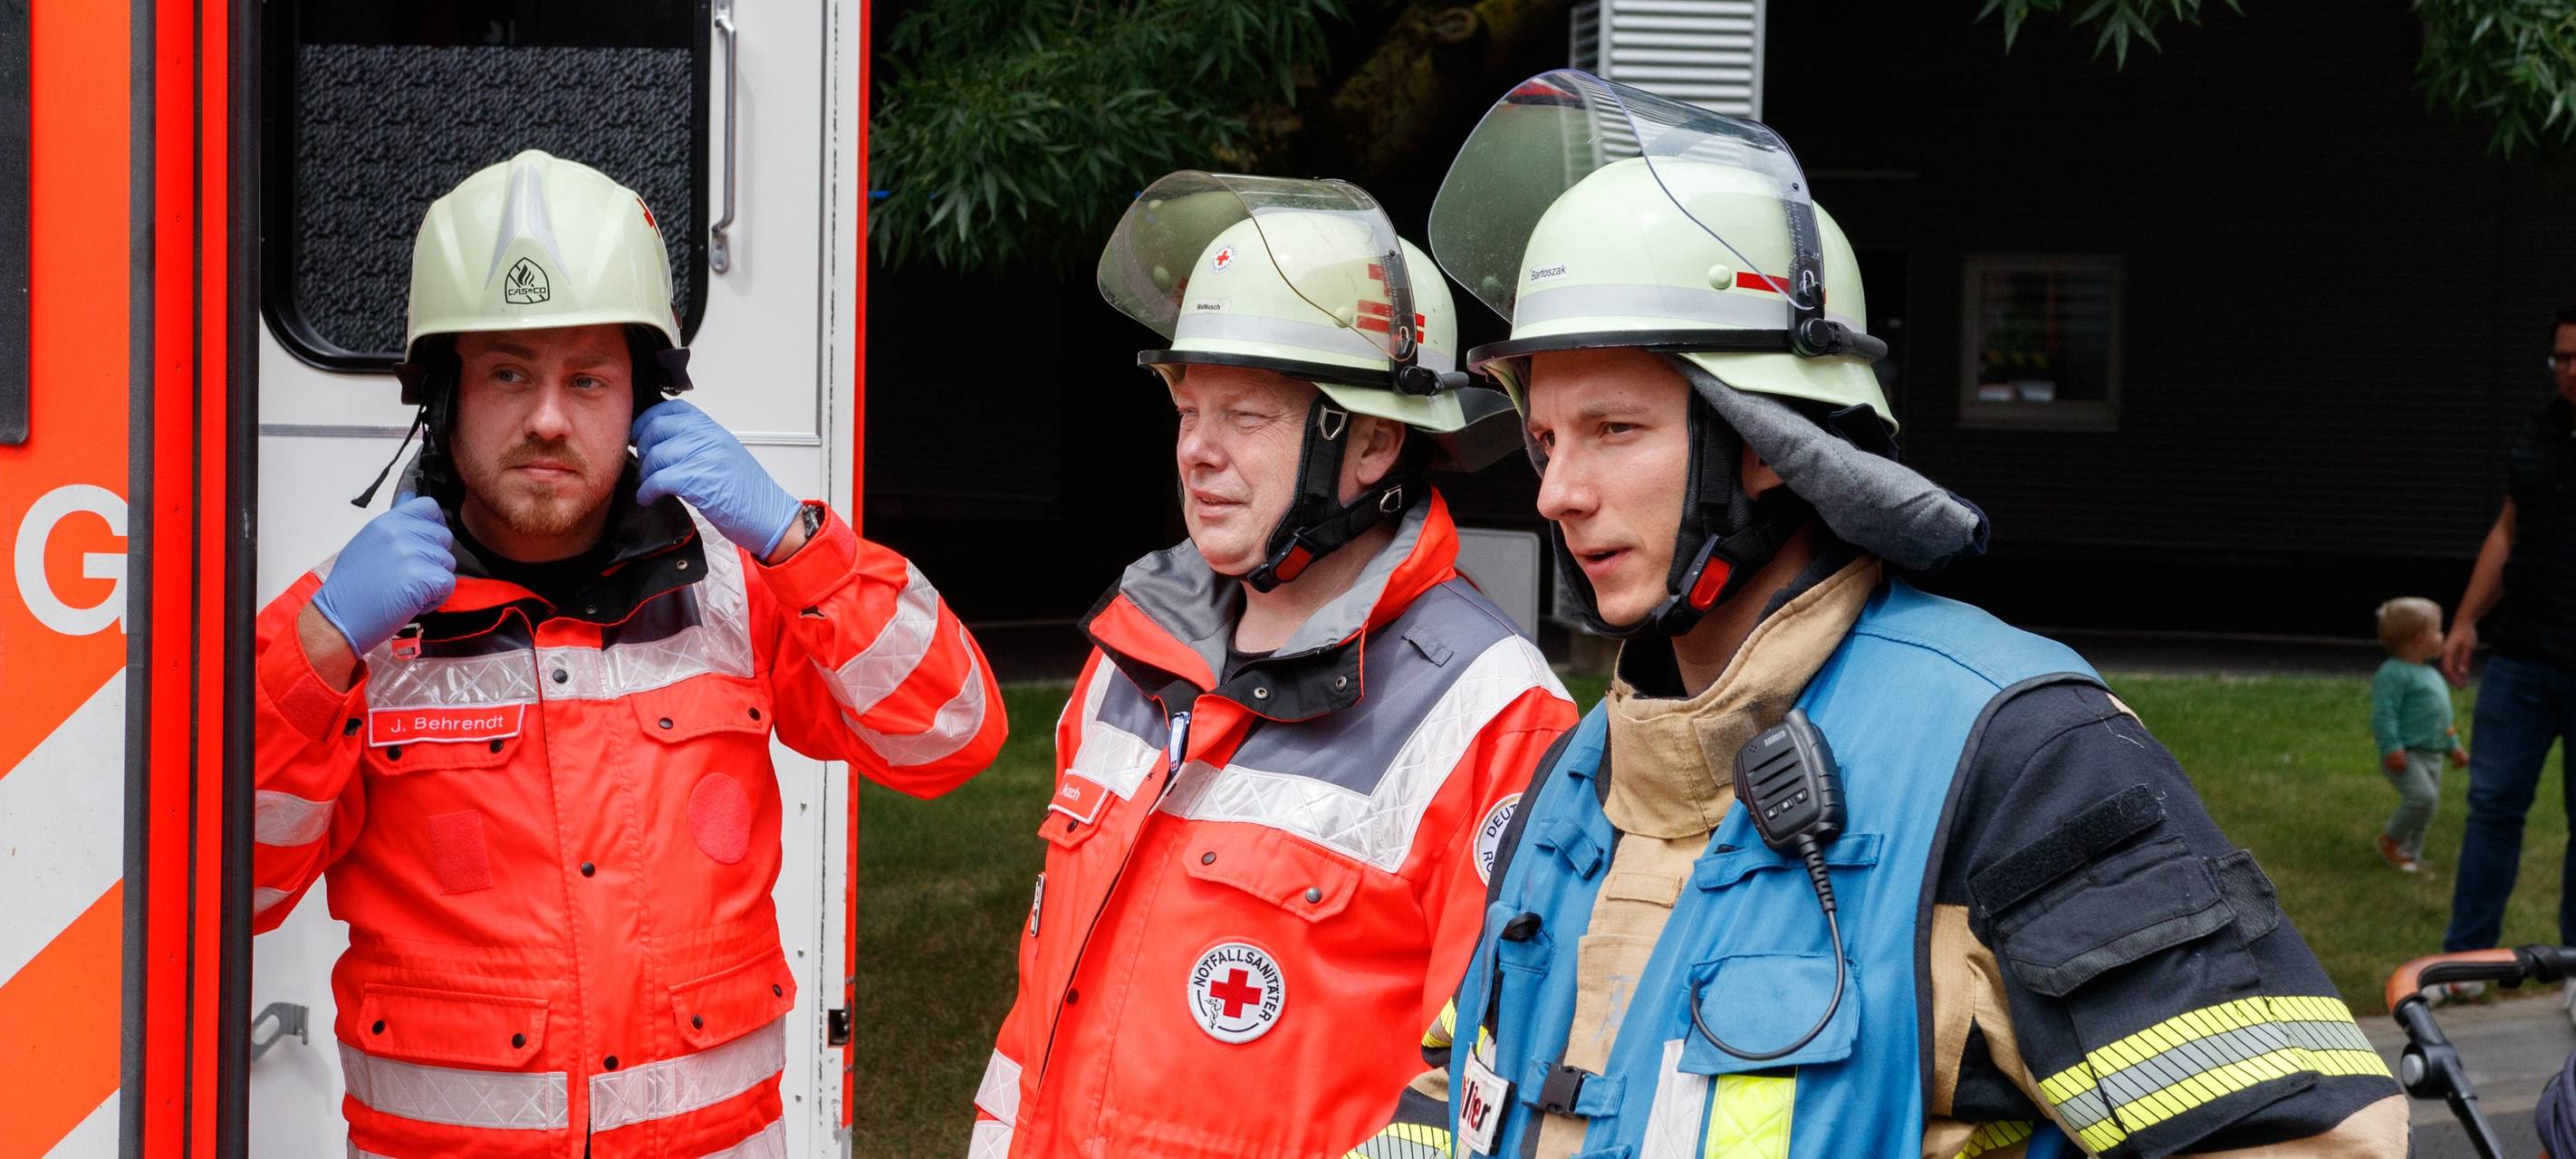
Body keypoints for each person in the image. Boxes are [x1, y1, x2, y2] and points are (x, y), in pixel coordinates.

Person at [1355, 72, 2405, 1158]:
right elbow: (1461, 1098)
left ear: (1763, 440)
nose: (1556, 492)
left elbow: (2309, 1142)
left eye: (1615, 428)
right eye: (1547, 439)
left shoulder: (2025, 761)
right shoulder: (1579, 779)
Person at [249, 151, 1005, 1158]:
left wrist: (797, 540)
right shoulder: (348, 626)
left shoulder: (742, 586)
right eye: (509, 372)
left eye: (587, 377)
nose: (549, 416)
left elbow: (951, 734)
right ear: (443, 396)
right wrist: (321, 650)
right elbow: (234, 888)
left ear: (643, 400)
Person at [966, 172, 1577, 1159]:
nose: (1197, 453)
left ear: (1373, 440)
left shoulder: (1496, 718)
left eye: (1245, 417)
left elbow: (1485, 1088)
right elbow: (1039, 1023)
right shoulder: (1131, 659)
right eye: (1186, 408)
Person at [2438, 306, 2576, 1019]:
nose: (2569, 371)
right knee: (2493, 806)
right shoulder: (2541, 431)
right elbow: (2509, 527)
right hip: (2523, 654)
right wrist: (2466, 619)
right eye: (2561, 358)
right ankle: (2468, 961)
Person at [2370, 597, 2465, 873]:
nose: (2442, 636)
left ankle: (2410, 855)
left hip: (2433, 754)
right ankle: (2391, 840)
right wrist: (2392, 747)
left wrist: (2453, 747)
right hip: (2407, 754)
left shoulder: (2429, 674)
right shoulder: (2393, 673)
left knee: (2427, 808)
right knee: (2423, 798)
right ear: (2418, 639)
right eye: (2438, 631)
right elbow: (2384, 714)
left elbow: (2440, 718)